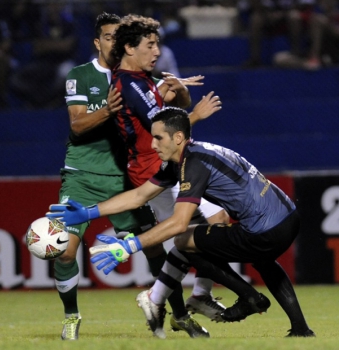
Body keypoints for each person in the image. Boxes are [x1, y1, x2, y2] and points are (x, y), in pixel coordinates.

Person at [47, 106, 315, 338]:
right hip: (288, 218)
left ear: (177, 137)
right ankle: (300, 327)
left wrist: (128, 247)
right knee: (262, 258)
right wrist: (89, 213)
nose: (152, 145)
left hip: (264, 231)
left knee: (183, 240)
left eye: (157, 138)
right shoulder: (190, 156)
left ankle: (249, 297)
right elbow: (140, 195)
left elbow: (177, 223)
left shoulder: (193, 163)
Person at [53, 12, 225, 341]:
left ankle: (179, 315)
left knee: (156, 250)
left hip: (124, 176)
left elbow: (167, 112)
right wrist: (107, 110)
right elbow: (76, 125)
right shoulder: (82, 75)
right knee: (64, 250)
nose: (115, 43)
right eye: (109, 37)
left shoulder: (141, 75)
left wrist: (178, 90)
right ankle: (72, 316)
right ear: (98, 42)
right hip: (84, 175)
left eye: (120, 37)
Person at [106, 14, 230, 338]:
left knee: (209, 226)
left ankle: (187, 297)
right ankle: (170, 297)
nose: (157, 51)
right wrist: (195, 116)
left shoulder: (143, 80)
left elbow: (171, 106)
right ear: (130, 48)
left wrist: (177, 91)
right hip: (155, 171)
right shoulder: (128, 86)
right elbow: (161, 131)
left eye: (157, 43)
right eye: (150, 44)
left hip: (169, 165)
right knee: (200, 231)